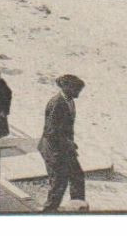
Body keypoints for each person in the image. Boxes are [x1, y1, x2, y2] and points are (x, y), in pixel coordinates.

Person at [38, 74, 88, 213]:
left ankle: (77, 207)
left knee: (77, 175)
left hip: (64, 147)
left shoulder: (69, 100)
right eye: (77, 89)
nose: (79, 92)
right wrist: (67, 143)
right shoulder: (57, 103)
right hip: (53, 149)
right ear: (68, 88)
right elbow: (51, 131)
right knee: (59, 182)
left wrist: (69, 143)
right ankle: (48, 212)